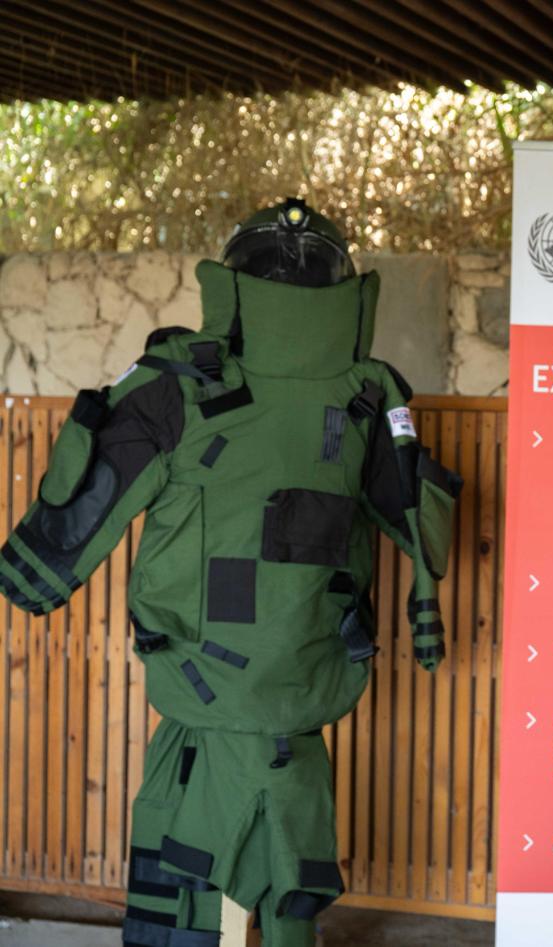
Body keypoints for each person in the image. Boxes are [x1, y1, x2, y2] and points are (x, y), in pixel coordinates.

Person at [0, 198, 460, 946]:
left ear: (231, 281)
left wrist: (28, 579)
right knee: (290, 915)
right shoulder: (372, 393)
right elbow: (422, 523)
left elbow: (63, 531)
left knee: (180, 918)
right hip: (300, 732)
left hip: (200, 732)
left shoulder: (175, 382)